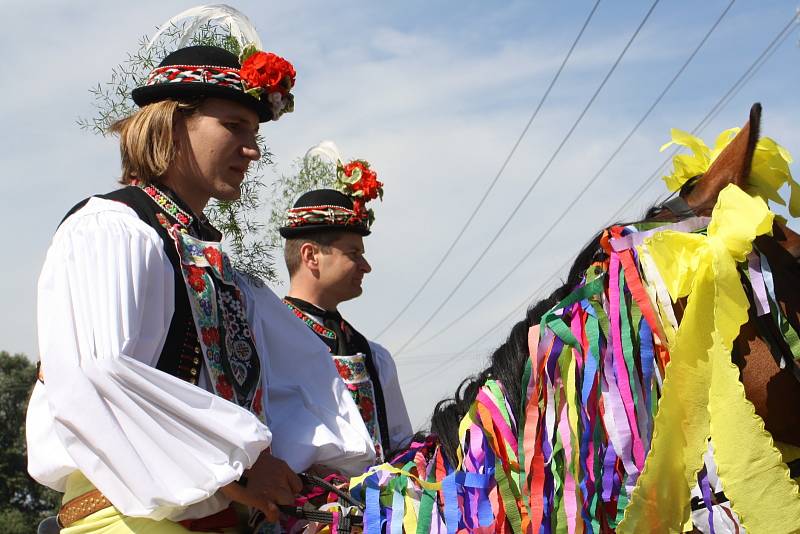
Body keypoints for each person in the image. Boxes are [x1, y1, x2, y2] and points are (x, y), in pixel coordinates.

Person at [26, 30, 374, 533]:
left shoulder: (219, 269)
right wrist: (243, 464)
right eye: (234, 126)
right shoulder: (110, 226)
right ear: (170, 122)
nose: (252, 150)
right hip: (125, 514)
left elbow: (309, 380)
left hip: (215, 513)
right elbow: (100, 369)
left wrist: (356, 478)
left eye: (255, 133)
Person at [279, 151, 413, 463]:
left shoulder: (373, 355)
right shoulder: (268, 336)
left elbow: (400, 446)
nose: (366, 266)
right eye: (353, 253)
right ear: (312, 256)